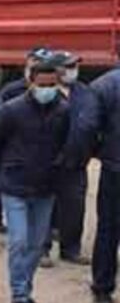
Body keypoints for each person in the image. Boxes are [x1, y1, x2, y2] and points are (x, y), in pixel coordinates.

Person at [0, 60, 70, 303]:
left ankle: (26, 290)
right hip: (15, 186)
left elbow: (68, 143)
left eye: (52, 85)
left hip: (46, 187)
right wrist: (5, 171)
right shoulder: (11, 110)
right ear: (31, 83)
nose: (47, 89)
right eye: (42, 85)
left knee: (35, 246)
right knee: (19, 242)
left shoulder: (64, 110)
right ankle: (19, 296)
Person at [77, 64, 120, 303]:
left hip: (115, 168)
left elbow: (86, 126)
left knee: (108, 228)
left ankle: (103, 289)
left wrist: (95, 152)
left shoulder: (104, 84)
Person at [44, 51, 91, 266]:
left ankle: (70, 249)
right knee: (43, 208)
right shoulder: (44, 93)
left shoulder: (84, 91)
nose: (73, 70)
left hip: (76, 161)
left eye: (74, 65)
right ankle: (41, 250)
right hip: (48, 161)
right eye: (68, 66)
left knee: (75, 207)